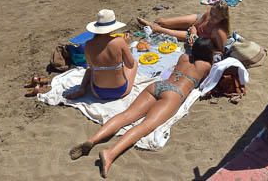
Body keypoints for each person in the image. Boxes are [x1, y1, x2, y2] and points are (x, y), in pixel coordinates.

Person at [69, 38, 214, 178]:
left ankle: (93, 139)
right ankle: (110, 153)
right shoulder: (206, 66)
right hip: (174, 94)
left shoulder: (183, 57)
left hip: (158, 85)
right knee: (146, 125)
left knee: (127, 115)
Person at [64, 10, 138, 101]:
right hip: (120, 90)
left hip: (98, 92)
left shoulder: (88, 44)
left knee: (90, 69)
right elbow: (130, 65)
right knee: (135, 63)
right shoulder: (119, 41)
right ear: (112, 27)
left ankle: (82, 88)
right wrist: (126, 46)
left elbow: (90, 67)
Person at [137, 0, 229, 61]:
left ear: (222, 18)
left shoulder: (219, 32)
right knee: (163, 22)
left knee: (162, 30)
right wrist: (193, 33)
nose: (211, 18)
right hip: (196, 27)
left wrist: (199, 44)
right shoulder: (208, 15)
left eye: (215, 17)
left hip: (199, 38)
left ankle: (151, 26)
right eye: (212, 13)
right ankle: (152, 25)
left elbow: (220, 51)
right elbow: (194, 26)